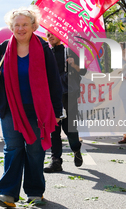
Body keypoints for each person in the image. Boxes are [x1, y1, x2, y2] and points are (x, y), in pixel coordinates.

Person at [0, 6, 62, 208]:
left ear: (33, 26)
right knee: (12, 149)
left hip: (38, 110)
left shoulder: (44, 48)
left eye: (25, 25)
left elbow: (54, 82)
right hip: (11, 109)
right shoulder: (3, 48)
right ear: (11, 27)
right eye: (17, 25)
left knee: (36, 151)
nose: (20, 29)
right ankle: (7, 194)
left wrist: (56, 112)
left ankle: (35, 192)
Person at [43, 31, 85, 173]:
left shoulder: (70, 51)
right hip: (51, 96)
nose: (50, 37)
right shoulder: (46, 53)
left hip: (69, 95)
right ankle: (56, 161)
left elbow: (83, 71)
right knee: (54, 129)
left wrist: (74, 65)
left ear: (59, 35)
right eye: (48, 35)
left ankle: (76, 148)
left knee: (69, 128)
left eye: (52, 34)